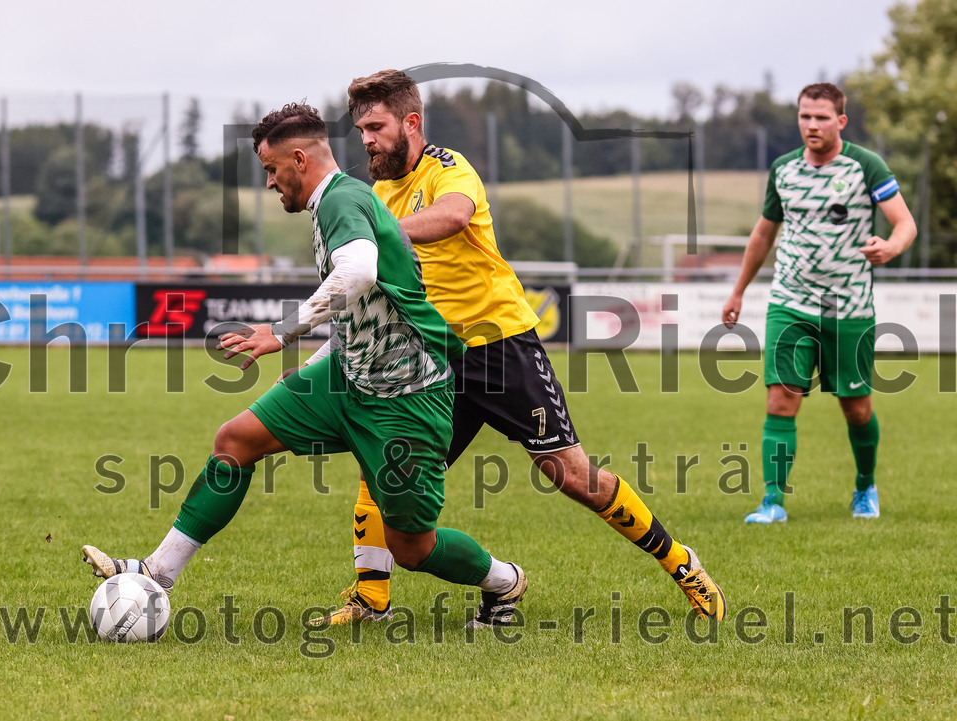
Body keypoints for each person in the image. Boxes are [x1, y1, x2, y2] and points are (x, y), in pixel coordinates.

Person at [83, 102, 529, 629]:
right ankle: (157, 573)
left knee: (411, 546)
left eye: (271, 170)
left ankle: (505, 582)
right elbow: (360, 311)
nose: (270, 183)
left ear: (299, 159)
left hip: (405, 398)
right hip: (347, 377)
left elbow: (359, 274)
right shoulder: (336, 203)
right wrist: (315, 363)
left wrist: (282, 331)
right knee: (236, 439)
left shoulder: (340, 199)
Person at [304, 69, 725, 626]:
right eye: (360, 129)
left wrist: (384, 232)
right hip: (431, 359)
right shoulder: (376, 192)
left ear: (411, 122)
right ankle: (371, 599)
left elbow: (453, 216)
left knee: (570, 475)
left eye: (376, 127)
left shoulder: (449, 170)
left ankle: (683, 564)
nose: (367, 140)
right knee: (383, 466)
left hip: (500, 346)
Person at [722, 82, 916, 524]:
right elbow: (764, 234)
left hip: (848, 307)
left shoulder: (866, 166)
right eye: (805, 116)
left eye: (822, 117)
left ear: (841, 121)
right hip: (790, 302)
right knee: (780, 401)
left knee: (857, 407)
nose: (812, 125)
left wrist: (889, 247)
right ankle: (773, 502)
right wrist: (739, 290)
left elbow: (905, 223)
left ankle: (865, 486)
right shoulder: (783, 170)